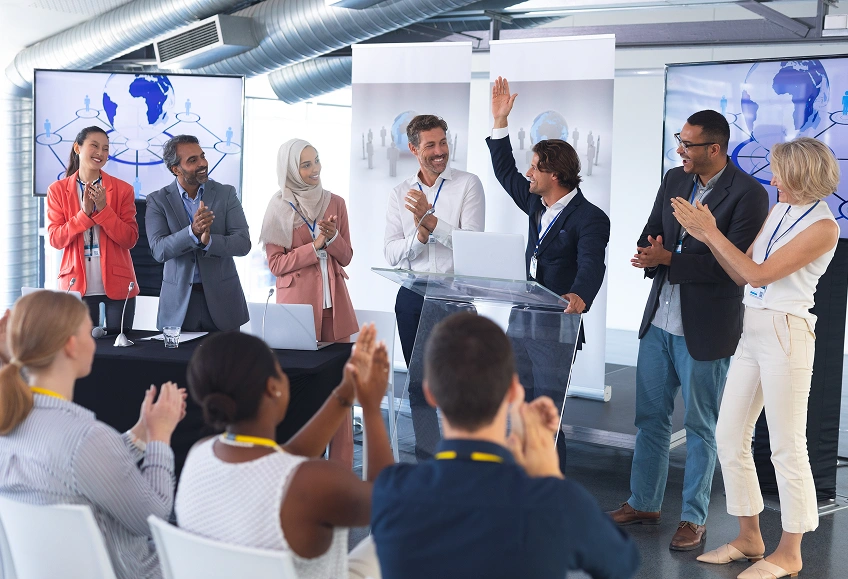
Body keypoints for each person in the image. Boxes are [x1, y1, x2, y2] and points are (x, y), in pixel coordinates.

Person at [672, 138, 839, 579]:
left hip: (787, 332)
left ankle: (790, 552)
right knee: (728, 435)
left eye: (778, 171)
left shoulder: (825, 226)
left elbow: (758, 273)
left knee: (787, 446)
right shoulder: (780, 210)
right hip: (755, 325)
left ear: (802, 173)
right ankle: (750, 537)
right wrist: (704, 238)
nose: (772, 178)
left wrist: (710, 233)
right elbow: (742, 271)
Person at [371, 313, 640, 579]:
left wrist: (370, 407)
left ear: (430, 393)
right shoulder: (557, 503)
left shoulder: (393, 491)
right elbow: (623, 562)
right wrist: (551, 478)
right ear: (514, 389)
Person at [609, 110, 769, 551]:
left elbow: (730, 266)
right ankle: (643, 503)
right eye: (680, 140)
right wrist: (649, 250)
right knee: (650, 420)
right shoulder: (674, 180)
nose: (680, 150)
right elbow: (653, 228)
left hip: (706, 328)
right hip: (659, 318)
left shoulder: (750, 195)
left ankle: (694, 518)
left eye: (688, 144)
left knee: (702, 426)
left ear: (714, 149)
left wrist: (670, 261)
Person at [176, 325, 393, 579]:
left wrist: (346, 391)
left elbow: (285, 460)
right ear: (273, 387)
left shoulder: (200, 454)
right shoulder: (314, 483)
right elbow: (391, 504)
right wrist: (371, 407)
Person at [0, 291, 186, 579]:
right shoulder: (85, 437)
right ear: (71, 346)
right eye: (89, 331)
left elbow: (83, 471)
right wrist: (161, 438)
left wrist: (141, 433)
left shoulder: (11, 421)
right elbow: (154, 517)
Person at [487, 77, 610, 467]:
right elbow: (505, 170)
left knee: (545, 415)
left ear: (554, 175)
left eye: (535, 168)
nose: (528, 173)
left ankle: (551, 488)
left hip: (557, 326)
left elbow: (592, 262)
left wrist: (580, 295)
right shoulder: (537, 203)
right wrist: (500, 121)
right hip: (522, 321)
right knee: (518, 409)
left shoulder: (590, 218)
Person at [384, 114, 485, 460]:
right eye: (431, 145)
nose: (440, 151)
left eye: (443, 142)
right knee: (419, 385)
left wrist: (432, 222)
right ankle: (430, 460)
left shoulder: (468, 184)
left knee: (462, 386)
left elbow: (472, 243)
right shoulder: (399, 193)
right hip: (412, 295)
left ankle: (465, 459)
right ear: (414, 149)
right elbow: (391, 251)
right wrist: (420, 236)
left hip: (455, 297)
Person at [259, 138, 358, 467]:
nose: (314, 170)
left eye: (316, 161)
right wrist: (313, 245)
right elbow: (275, 265)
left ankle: (341, 472)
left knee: (341, 393)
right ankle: (296, 469)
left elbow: (346, 257)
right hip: (296, 311)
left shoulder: (336, 203)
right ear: (291, 170)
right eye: (306, 165)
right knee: (300, 391)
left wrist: (331, 239)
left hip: (335, 309)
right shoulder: (277, 207)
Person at [145, 135, 251, 332]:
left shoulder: (226, 193)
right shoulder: (158, 200)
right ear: (175, 169)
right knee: (178, 364)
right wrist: (192, 232)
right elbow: (159, 250)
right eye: (193, 160)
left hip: (223, 302)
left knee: (227, 364)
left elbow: (243, 243)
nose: (202, 163)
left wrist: (209, 241)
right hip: (179, 306)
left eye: (202, 156)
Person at [47, 126, 140, 333]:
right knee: (80, 353)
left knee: (122, 353)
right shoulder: (57, 190)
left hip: (119, 284)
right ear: (77, 148)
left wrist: (104, 210)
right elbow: (56, 239)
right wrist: (84, 215)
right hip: (76, 284)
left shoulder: (124, 190)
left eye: (105, 149)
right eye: (94, 146)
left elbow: (129, 239)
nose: (100, 153)